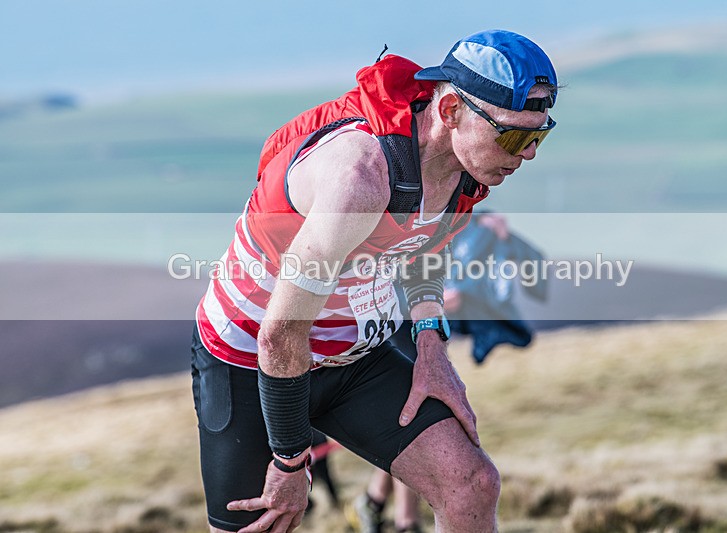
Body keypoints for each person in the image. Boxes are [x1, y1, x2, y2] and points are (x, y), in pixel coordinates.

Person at [190, 29, 558, 533]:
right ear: (450, 111)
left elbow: (425, 247)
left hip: (355, 356)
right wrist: (293, 461)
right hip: (252, 361)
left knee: (471, 484)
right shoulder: (360, 179)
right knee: (264, 526)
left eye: (540, 134)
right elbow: (279, 334)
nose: (529, 153)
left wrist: (431, 345)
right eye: (514, 136)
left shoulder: (465, 166)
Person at [346, 214, 547, 533]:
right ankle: (405, 522)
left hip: (426, 331)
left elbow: (528, 272)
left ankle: (373, 503)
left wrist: (499, 236)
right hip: (393, 322)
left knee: (416, 418)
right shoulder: (405, 199)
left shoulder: (470, 215)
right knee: (415, 418)